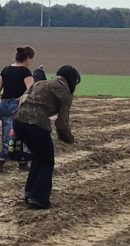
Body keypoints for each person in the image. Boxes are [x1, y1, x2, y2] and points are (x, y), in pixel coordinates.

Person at [11, 65, 79, 210]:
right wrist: (69, 138)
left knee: (38, 157)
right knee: (47, 161)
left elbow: (22, 99)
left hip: (18, 121)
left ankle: (30, 193)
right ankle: (38, 199)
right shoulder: (65, 93)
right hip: (36, 124)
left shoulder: (40, 83)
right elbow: (61, 122)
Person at [0, 45, 36, 171]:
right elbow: (32, 91)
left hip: (4, 105)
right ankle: (0, 159)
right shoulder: (25, 72)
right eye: (31, 59)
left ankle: (22, 162)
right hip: (17, 106)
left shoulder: (5, 70)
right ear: (27, 59)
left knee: (10, 134)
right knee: (15, 135)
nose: (31, 62)